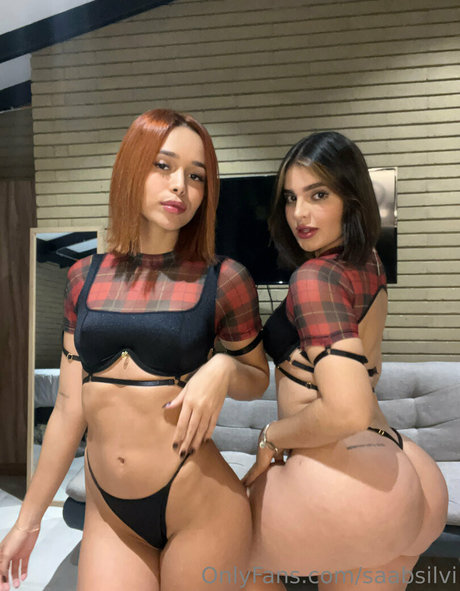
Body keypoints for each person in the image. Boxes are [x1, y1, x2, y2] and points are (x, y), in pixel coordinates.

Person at [0, 109, 269, 591]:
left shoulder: (224, 278)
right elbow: (68, 407)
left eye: (196, 176)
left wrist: (225, 367)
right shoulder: (83, 278)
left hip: (200, 506)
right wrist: (28, 521)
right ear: (130, 169)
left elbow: (257, 378)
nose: (180, 186)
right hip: (112, 513)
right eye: (163, 166)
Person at [243, 131, 448, 590]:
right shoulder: (369, 262)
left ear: (351, 200)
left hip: (340, 478)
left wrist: (271, 436)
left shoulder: (315, 277)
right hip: (404, 467)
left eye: (318, 195)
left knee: (217, 544)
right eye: (291, 198)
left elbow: (345, 410)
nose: (299, 213)